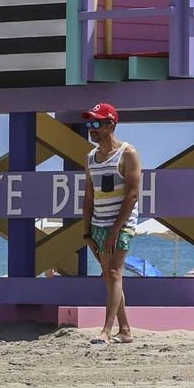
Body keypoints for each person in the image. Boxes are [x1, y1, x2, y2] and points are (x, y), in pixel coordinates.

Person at [80, 101, 141, 345]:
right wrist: (86, 231)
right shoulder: (90, 158)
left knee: (115, 273)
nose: (91, 128)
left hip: (121, 225)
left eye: (96, 123)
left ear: (110, 125)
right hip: (98, 224)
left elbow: (133, 195)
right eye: (89, 123)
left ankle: (106, 331)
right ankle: (125, 329)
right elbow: (88, 197)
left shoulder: (128, 154)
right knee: (108, 276)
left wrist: (116, 230)